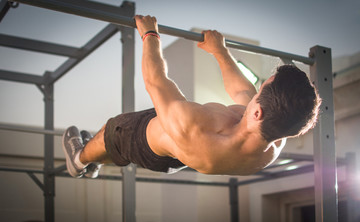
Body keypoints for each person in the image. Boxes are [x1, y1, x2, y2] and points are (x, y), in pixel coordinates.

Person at [62, 15, 321, 178]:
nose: (256, 90)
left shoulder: (196, 129)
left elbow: (155, 82)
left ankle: (80, 160)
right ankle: (96, 161)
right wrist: (220, 52)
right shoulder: (274, 137)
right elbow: (243, 92)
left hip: (144, 138)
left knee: (112, 131)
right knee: (117, 147)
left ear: (257, 113)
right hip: (177, 155)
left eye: (262, 89)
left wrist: (150, 34)